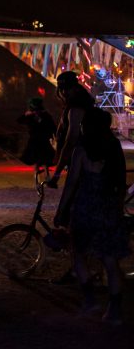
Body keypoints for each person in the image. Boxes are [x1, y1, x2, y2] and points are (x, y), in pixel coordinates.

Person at [55, 108, 129, 325]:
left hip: (86, 207)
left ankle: (89, 300)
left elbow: (71, 184)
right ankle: (114, 310)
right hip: (108, 208)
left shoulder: (81, 150)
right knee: (110, 260)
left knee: (79, 254)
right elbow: (120, 182)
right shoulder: (114, 147)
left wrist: (61, 211)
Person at [48, 71, 94, 189]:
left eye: (67, 89)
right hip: (80, 161)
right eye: (61, 89)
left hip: (82, 162)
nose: (64, 92)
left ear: (76, 88)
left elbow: (71, 141)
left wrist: (56, 175)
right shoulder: (72, 107)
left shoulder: (76, 109)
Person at [16, 97, 56, 177]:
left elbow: (52, 127)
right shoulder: (32, 115)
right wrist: (27, 114)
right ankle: (40, 177)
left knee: (43, 160)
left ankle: (45, 177)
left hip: (42, 140)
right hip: (37, 140)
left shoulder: (44, 115)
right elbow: (19, 120)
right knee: (39, 160)